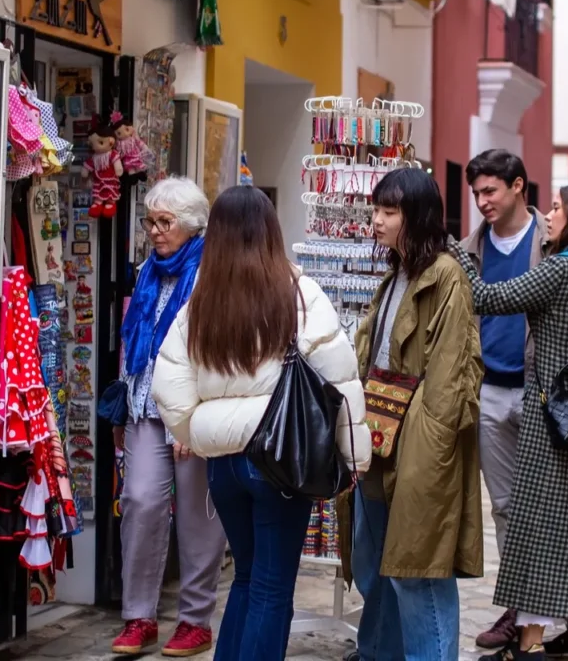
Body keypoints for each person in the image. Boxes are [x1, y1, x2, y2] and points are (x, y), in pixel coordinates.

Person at [152, 186, 372, 661]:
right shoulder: (299, 293)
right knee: (272, 589)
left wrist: (199, 432)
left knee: (247, 579)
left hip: (224, 468)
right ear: (271, 230)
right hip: (280, 460)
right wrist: (356, 458)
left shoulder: (201, 302)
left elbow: (166, 383)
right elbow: (342, 378)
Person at [450, 184, 568, 661]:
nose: (547, 215)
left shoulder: (559, 269)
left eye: (556, 207)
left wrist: (460, 251)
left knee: (537, 524)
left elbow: (486, 297)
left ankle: (528, 642)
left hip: (548, 418)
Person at [342, 167, 485, 661]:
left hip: (419, 446)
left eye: (387, 211)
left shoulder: (446, 277)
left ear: (417, 216)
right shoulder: (397, 273)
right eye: (375, 210)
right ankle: (377, 651)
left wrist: (425, 460)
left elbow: (448, 383)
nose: (375, 220)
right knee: (374, 561)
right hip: (378, 440)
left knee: (419, 571)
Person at [111, 177, 226, 656]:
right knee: (139, 502)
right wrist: (121, 403)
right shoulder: (147, 273)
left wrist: (193, 418)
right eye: (150, 222)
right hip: (143, 406)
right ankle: (139, 616)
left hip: (193, 415)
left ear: (193, 226)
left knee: (199, 518)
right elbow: (132, 341)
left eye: (165, 222)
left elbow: (215, 352)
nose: (155, 232)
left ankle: (195, 619)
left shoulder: (211, 274)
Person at [457, 149, 550, 649]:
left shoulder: (552, 242)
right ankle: (518, 607)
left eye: (490, 190)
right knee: (507, 507)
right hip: (489, 390)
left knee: (551, 505)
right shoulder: (469, 249)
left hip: (541, 392)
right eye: (476, 193)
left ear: (518, 186)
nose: (482, 201)